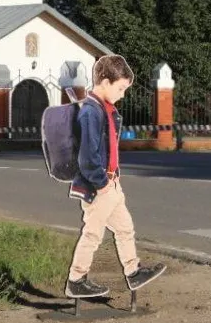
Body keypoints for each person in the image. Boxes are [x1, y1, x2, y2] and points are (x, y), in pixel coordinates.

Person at [65, 54, 166, 298]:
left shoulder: (105, 108)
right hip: (98, 184)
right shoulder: (91, 111)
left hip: (111, 181)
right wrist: (101, 184)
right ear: (106, 81)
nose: (123, 94)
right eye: (120, 88)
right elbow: (87, 157)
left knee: (125, 228)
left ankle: (133, 273)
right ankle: (76, 279)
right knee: (93, 233)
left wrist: (112, 181)